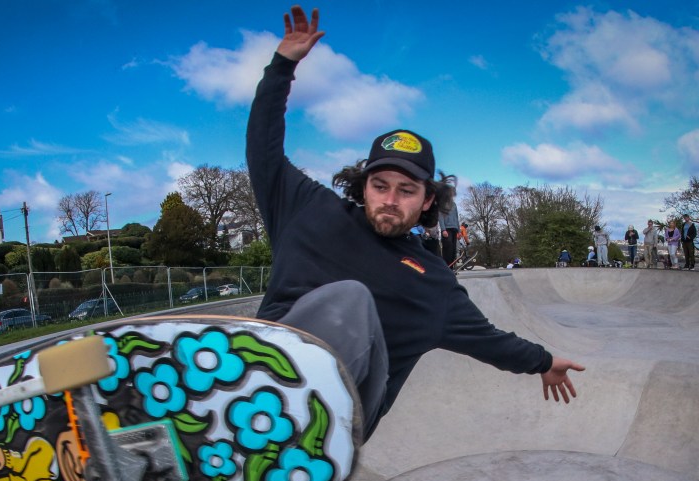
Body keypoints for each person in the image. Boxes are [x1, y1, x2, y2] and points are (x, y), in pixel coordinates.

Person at [247, 6, 583, 440]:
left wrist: (543, 361)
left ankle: (289, 417)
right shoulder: (307, 210)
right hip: (250, 386)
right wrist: (282, 67)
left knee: (350, 300)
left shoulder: (432, 283)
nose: (390, 200)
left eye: (406, 191)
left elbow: (492, 340)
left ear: (427, 201)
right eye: (380, 185)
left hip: (333, 428)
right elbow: (263, 150)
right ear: (362, 186)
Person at [439, 199, 460, 266]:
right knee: (448, 248)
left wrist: (459, 231)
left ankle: (451, 267)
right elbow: (440, 217)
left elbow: (456, 217)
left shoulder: (454, 204)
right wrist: (443, 229)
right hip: (447, 229)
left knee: (454, 249)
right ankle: (446, 266)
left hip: (455, 228)